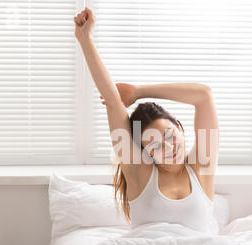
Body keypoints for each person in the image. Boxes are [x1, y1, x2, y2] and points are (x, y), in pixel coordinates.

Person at [74, 7, 219, 233]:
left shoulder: (202, 166)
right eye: (155, 144)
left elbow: (204, 96)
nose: (169, 147)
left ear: (180, 128)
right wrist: (85, 39)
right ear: (145, 152)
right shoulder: (139, 171)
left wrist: (139, 91)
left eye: (170, 135)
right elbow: (113, 102)